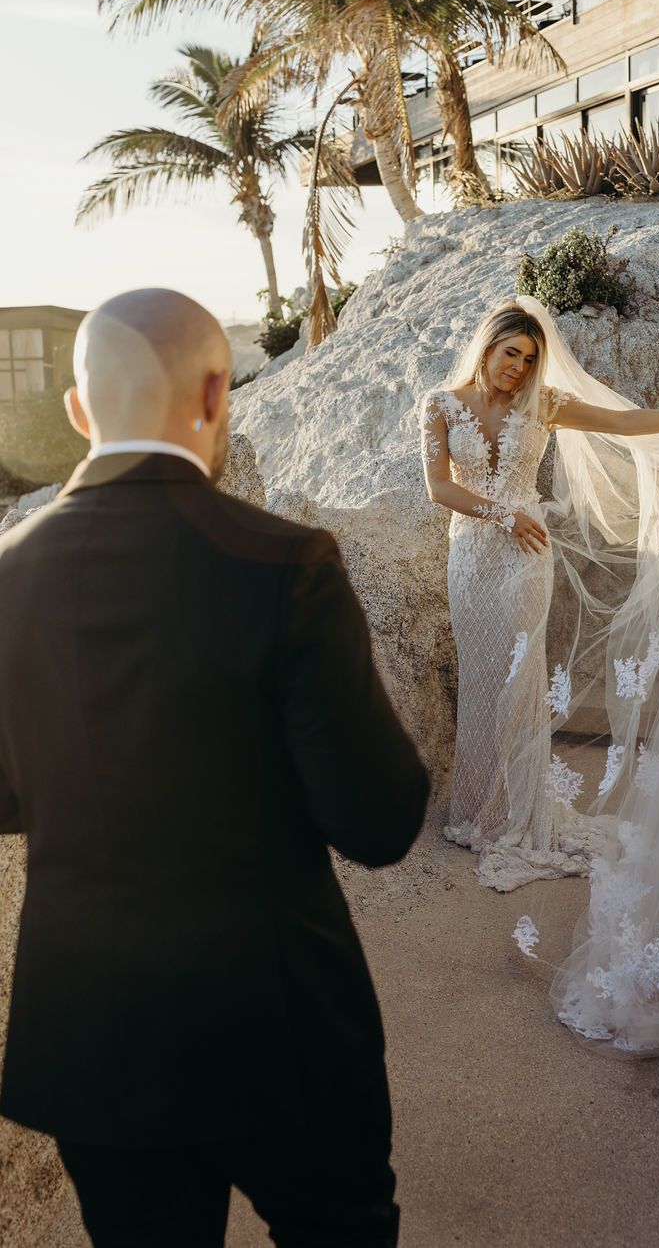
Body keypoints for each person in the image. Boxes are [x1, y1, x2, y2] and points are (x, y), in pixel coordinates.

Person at [0, 288, 429, 1247]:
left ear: (79, 413)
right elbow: (380, 819)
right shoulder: (286, 565)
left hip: (94, 1031)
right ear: (214, 391)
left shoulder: (5, 576)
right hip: (281, 1027)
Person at [420, 295, 659, 1054]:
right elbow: (437, 489)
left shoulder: (545, 404)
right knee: (484, 682)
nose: (516, 368)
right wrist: (495, 512)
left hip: (524, 562)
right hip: (472, 558)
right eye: (507, 354)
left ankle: (519, 819)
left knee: (518, 682)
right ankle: (478, 805)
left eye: (526, 357)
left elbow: (622, 424)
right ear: (484, 348)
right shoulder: (440, 404)